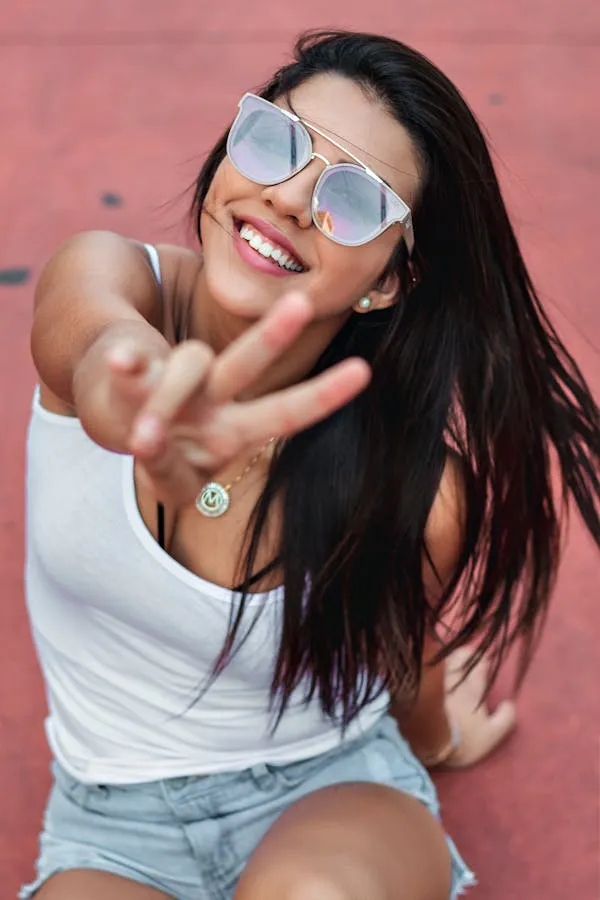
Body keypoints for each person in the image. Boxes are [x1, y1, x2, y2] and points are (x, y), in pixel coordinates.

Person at [21, 29, 599, 900]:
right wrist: (139, 404)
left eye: (355, 199)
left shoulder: (417, 486)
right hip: (109, 826)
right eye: (275, 141)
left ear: (390, 280)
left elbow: (397, 651)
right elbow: (99, 350)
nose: (289, 197)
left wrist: (439, 736)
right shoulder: (107, 277)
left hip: (327, 792)